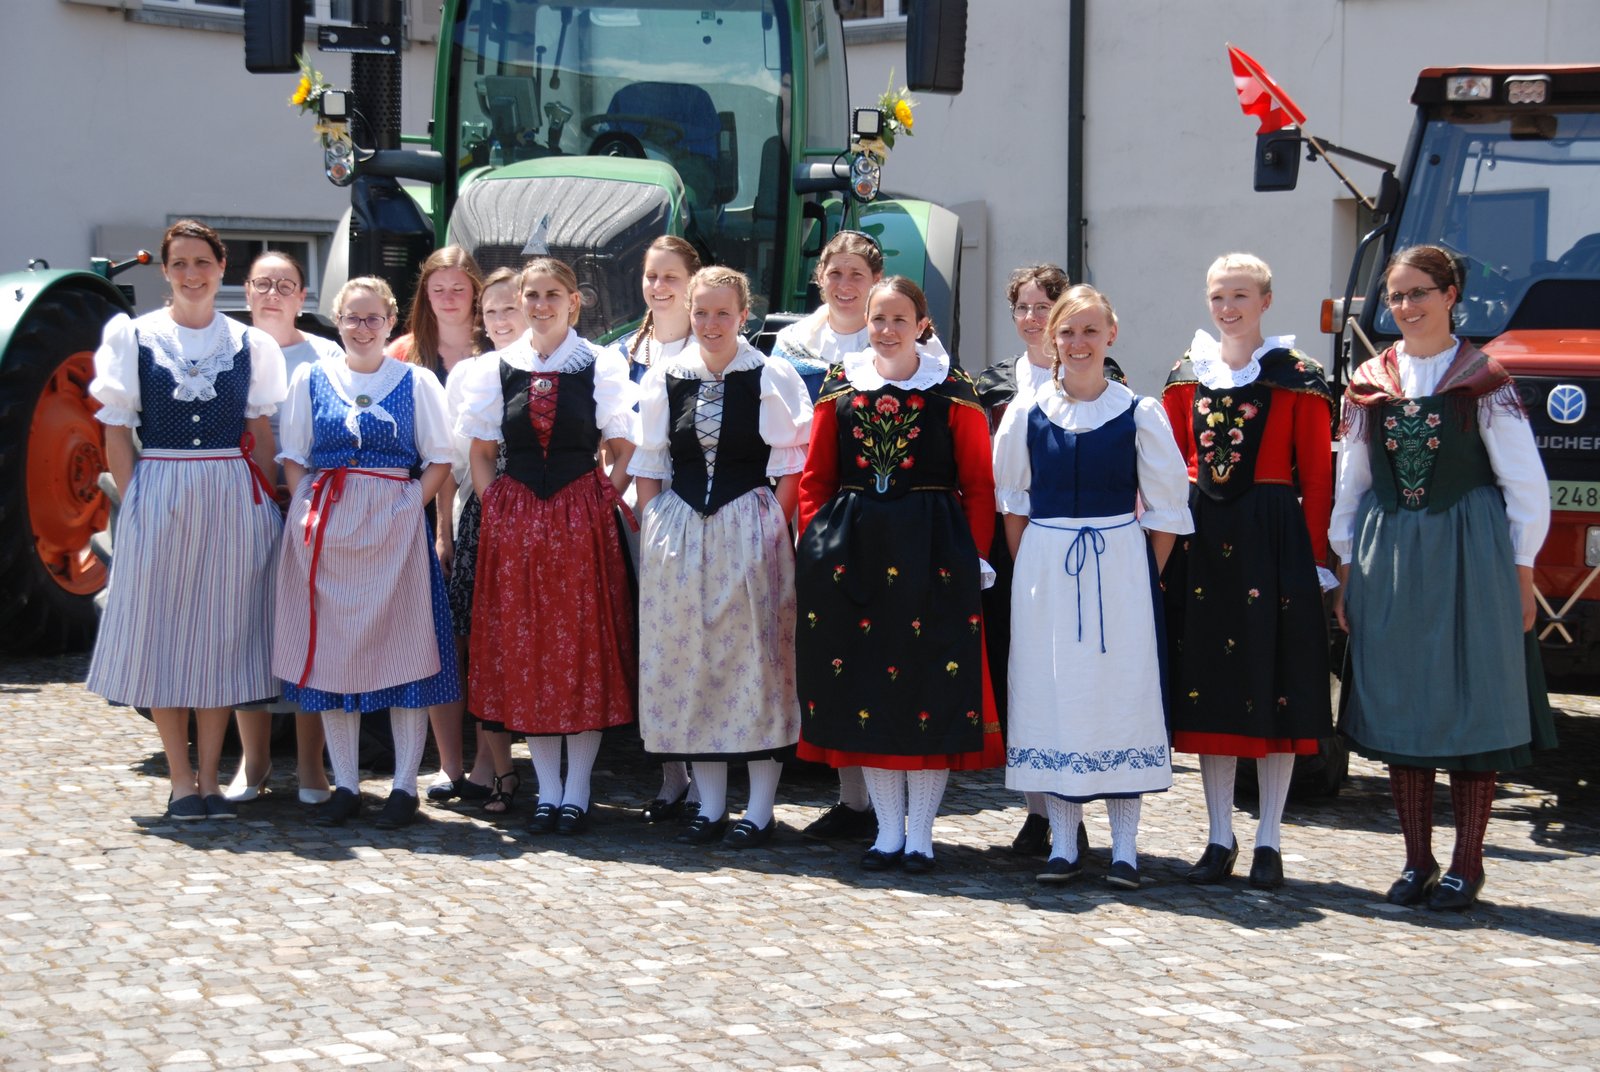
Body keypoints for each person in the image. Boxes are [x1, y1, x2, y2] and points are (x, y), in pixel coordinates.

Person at [1330, 245, 1553, 911]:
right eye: (1396, 296)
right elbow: (1355, 482)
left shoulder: (1485, 378)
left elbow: (1524, 483)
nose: (1406, 307)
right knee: (1403, 701)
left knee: (1469, 698)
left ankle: (1468, 862)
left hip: (1470, 550)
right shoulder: (1372, 378)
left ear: (1451, 293)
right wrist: (1346, 567)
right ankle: (1416, 859)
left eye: (1419, 292)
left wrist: (1522, 572)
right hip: (1392, 550)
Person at [794, 276, 1002, 873]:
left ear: (922, 324)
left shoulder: (951, 389)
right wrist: (816, 547)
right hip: (854, 553)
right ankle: (887, 833)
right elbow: (816, 480)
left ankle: (923, 836)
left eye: (898, 319)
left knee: (928, 688)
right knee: (870, 689)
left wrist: (976, 557)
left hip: (933, 551)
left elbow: (980, 485)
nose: (885, 330)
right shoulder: (841, 384)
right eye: (877, 318)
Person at [86, 219, 288, 821]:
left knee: (221, 637)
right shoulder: (134, 335)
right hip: (162, 488)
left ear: (221, 268)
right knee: (166, 636)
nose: (192, 274)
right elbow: (115, 428)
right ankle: (179, 780)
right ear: (166, 271)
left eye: (202, 262)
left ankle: (209, 778)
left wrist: (266, 498)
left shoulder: (250, 344)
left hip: (231, 493)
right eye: (180, 263)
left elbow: (260, 430)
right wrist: (137, 496)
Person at [996, 285, 1192, 889]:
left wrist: (1138, 572)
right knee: (1052, 692)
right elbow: (1014, 503)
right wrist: (1033, 570)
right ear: (1052, 339)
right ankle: (1061, 844)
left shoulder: (1140, 411)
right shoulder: (1026, 411)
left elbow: (1166, 510)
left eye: (1090, 331)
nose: (1078, 343)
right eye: (1067, 332)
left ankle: (1126, 849)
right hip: (1047, 566)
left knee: (1118, 695)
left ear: (1111, 335)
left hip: (1121, 565)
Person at [1161, 253, 1335, 890]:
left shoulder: (1298, 377)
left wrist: (1316, 560)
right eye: (1217, 296)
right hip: (1202, 540)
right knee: (1211, 687)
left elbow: (1316, 477)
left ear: (1265, 300)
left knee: (1274, 686)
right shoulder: (1186, 377)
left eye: (1239, 295)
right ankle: (1217, 835)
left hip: (1273, 538)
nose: (1227, 307)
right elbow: (1174, 463)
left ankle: (1269, 840)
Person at [630, 266, 812, 849]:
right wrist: (657, 524)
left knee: (755, 662)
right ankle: (709, 807)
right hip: (681, 536)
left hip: (748, 529)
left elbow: (790, 463)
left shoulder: (769, 375)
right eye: (701, 311)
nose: (711, 323)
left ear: (744, 315)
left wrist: (769, 526)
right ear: (688, 310)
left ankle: (759, 809)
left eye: (722, 313)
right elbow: (651, 463)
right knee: (694, 664)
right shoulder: (666, 377)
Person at [272, 276, 461, 830]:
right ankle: (347, 785)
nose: (362, 328)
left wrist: (408, 508)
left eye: (373, 318)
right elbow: (293, 454)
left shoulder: (415, 380)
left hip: (393, 529)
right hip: (327, 528)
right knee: (334, 654)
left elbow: (439, 458)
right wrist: (308, 508)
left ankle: (404, 787)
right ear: (337, 321)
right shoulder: (311, 378)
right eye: (352, 318)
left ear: (390, 321)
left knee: (401, 651)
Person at [460, 257, 639, 837]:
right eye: (531, 295)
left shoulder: (599, 364)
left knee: (582, 647)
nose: (540, 305)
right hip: (517, 526)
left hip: (578, 520)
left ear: (573, 302)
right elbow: (481, 453)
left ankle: (578, 790)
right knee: (527, 648)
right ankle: (548, 789)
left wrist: (600, 497)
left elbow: (622, 444)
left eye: (552, 294)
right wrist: (497, 507)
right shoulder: (498, 368)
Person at [974, 263, 1116, 860]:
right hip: (1013, 552)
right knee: (1021, 678)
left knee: (1076, 678)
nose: (1032, 319)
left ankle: (1077, 803)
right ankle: (1038, 809)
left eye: (1043, 308)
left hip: (1080, 550)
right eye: (1023, 309)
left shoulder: (1103, 378)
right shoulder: (989, 385)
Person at [773, 230, 886, 843]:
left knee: (877, 642)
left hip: (882, 504)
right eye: (834, 273)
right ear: (819, 278)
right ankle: (849, 794)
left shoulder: (898, 331)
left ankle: (884, 784)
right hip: (819, 498)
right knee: (829, 640)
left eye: (856, 275)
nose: (844, 286)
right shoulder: (794, 343)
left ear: (874, 281)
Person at [223, 251, 338, 807]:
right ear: (246, 292)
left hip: (311, 505)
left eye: (285, 284)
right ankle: (254, 760)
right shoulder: (228, 350)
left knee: (313, 632)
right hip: (241, 502)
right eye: (263, 283)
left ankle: (313, 765)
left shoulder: (326, 354)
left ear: (303, 296)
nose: (273, 293)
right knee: (249, 630)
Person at [388, 246, 490, 805]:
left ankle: (484, 763)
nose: (450, 298)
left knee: (480, 638)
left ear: (475, 291)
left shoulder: (496, 347)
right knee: (436, 639)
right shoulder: (404, 355)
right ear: (424, 296)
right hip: (415, 505)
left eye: (459, 287)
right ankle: (448, 763)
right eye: (438, 289)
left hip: (478, 507)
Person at [614, 235, 705, 823]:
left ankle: (705, 778)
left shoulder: (714, 346)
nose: (658, 287)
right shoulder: (624, 352)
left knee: (695, 639)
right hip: (635, 510)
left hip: (696, 508)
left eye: (670, 276)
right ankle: (671, 772)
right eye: (651, 276)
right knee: (654, 643)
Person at [441, 266, 526, 815]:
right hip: (478, 514)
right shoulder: (468, 374)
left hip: (537, 514)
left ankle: (521, 767)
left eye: (509, 309)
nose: (498, 320)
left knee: (526, 642)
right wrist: (444, 535)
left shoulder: (560, 367)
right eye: (490, 310)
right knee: (476, 642)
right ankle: (488, 763)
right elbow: (450, 468)